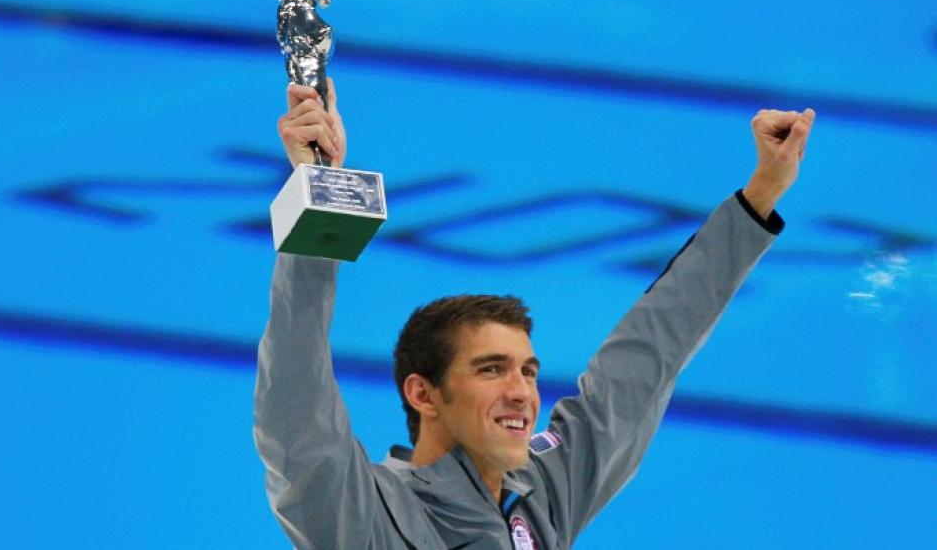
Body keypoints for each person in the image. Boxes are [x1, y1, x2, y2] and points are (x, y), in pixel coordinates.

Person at [254, 79, 816, 549]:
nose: (524, 392)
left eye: (527, 370)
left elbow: (646, 359)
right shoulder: (365, 516)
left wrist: (759, 196)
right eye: (492, 369)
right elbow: (297, 402)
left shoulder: (539, 492)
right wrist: (320, 200)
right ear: (423, 394)